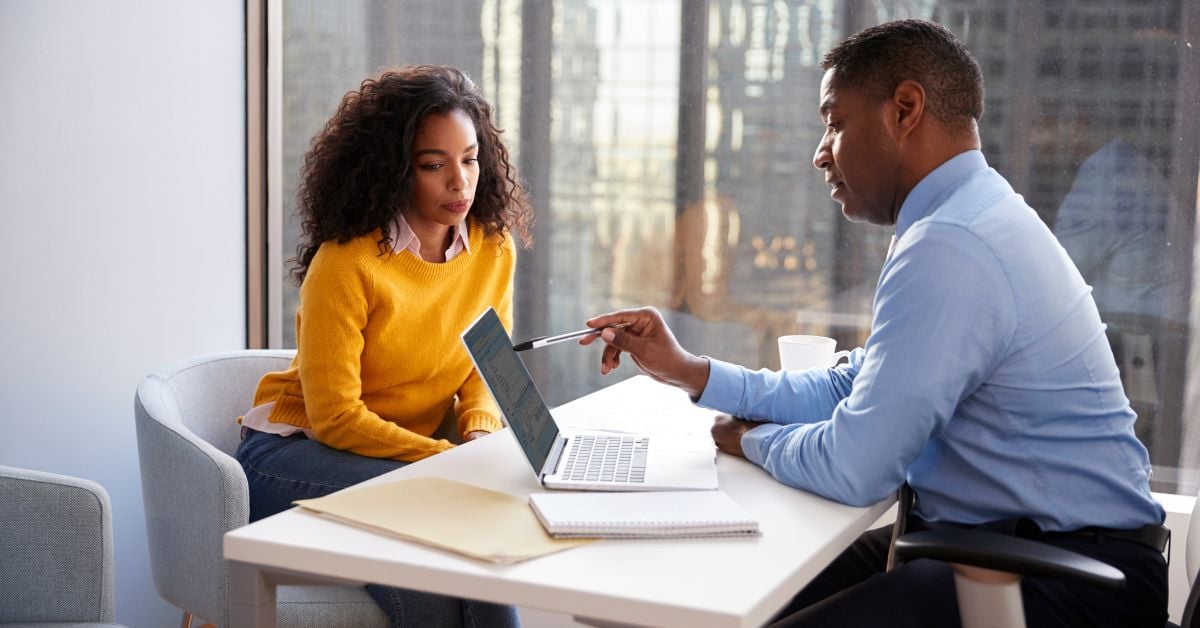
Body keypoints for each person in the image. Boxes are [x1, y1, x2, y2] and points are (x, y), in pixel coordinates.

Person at [581, 20, 1167, 627]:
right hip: (1005, 550)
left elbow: (854, 468)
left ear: (905, 109)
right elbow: (853, 384)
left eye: (834, 122)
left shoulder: (953, 242)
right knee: (727, 598)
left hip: (1065, 581)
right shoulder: (964, 214)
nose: (820, 151)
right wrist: (695, 373)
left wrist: (750, 439)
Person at [235, 65, 531, 628]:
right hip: (294, 453)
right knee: (428, 530)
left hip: (403, 456)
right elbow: (336, 418)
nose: (459, 183)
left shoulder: (493, 250)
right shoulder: (346, 264)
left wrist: (477, 433)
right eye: (433, 165)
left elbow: (483, 370)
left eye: (469, 159)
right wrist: (447, 460)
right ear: (396, 171)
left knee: (481, 550)